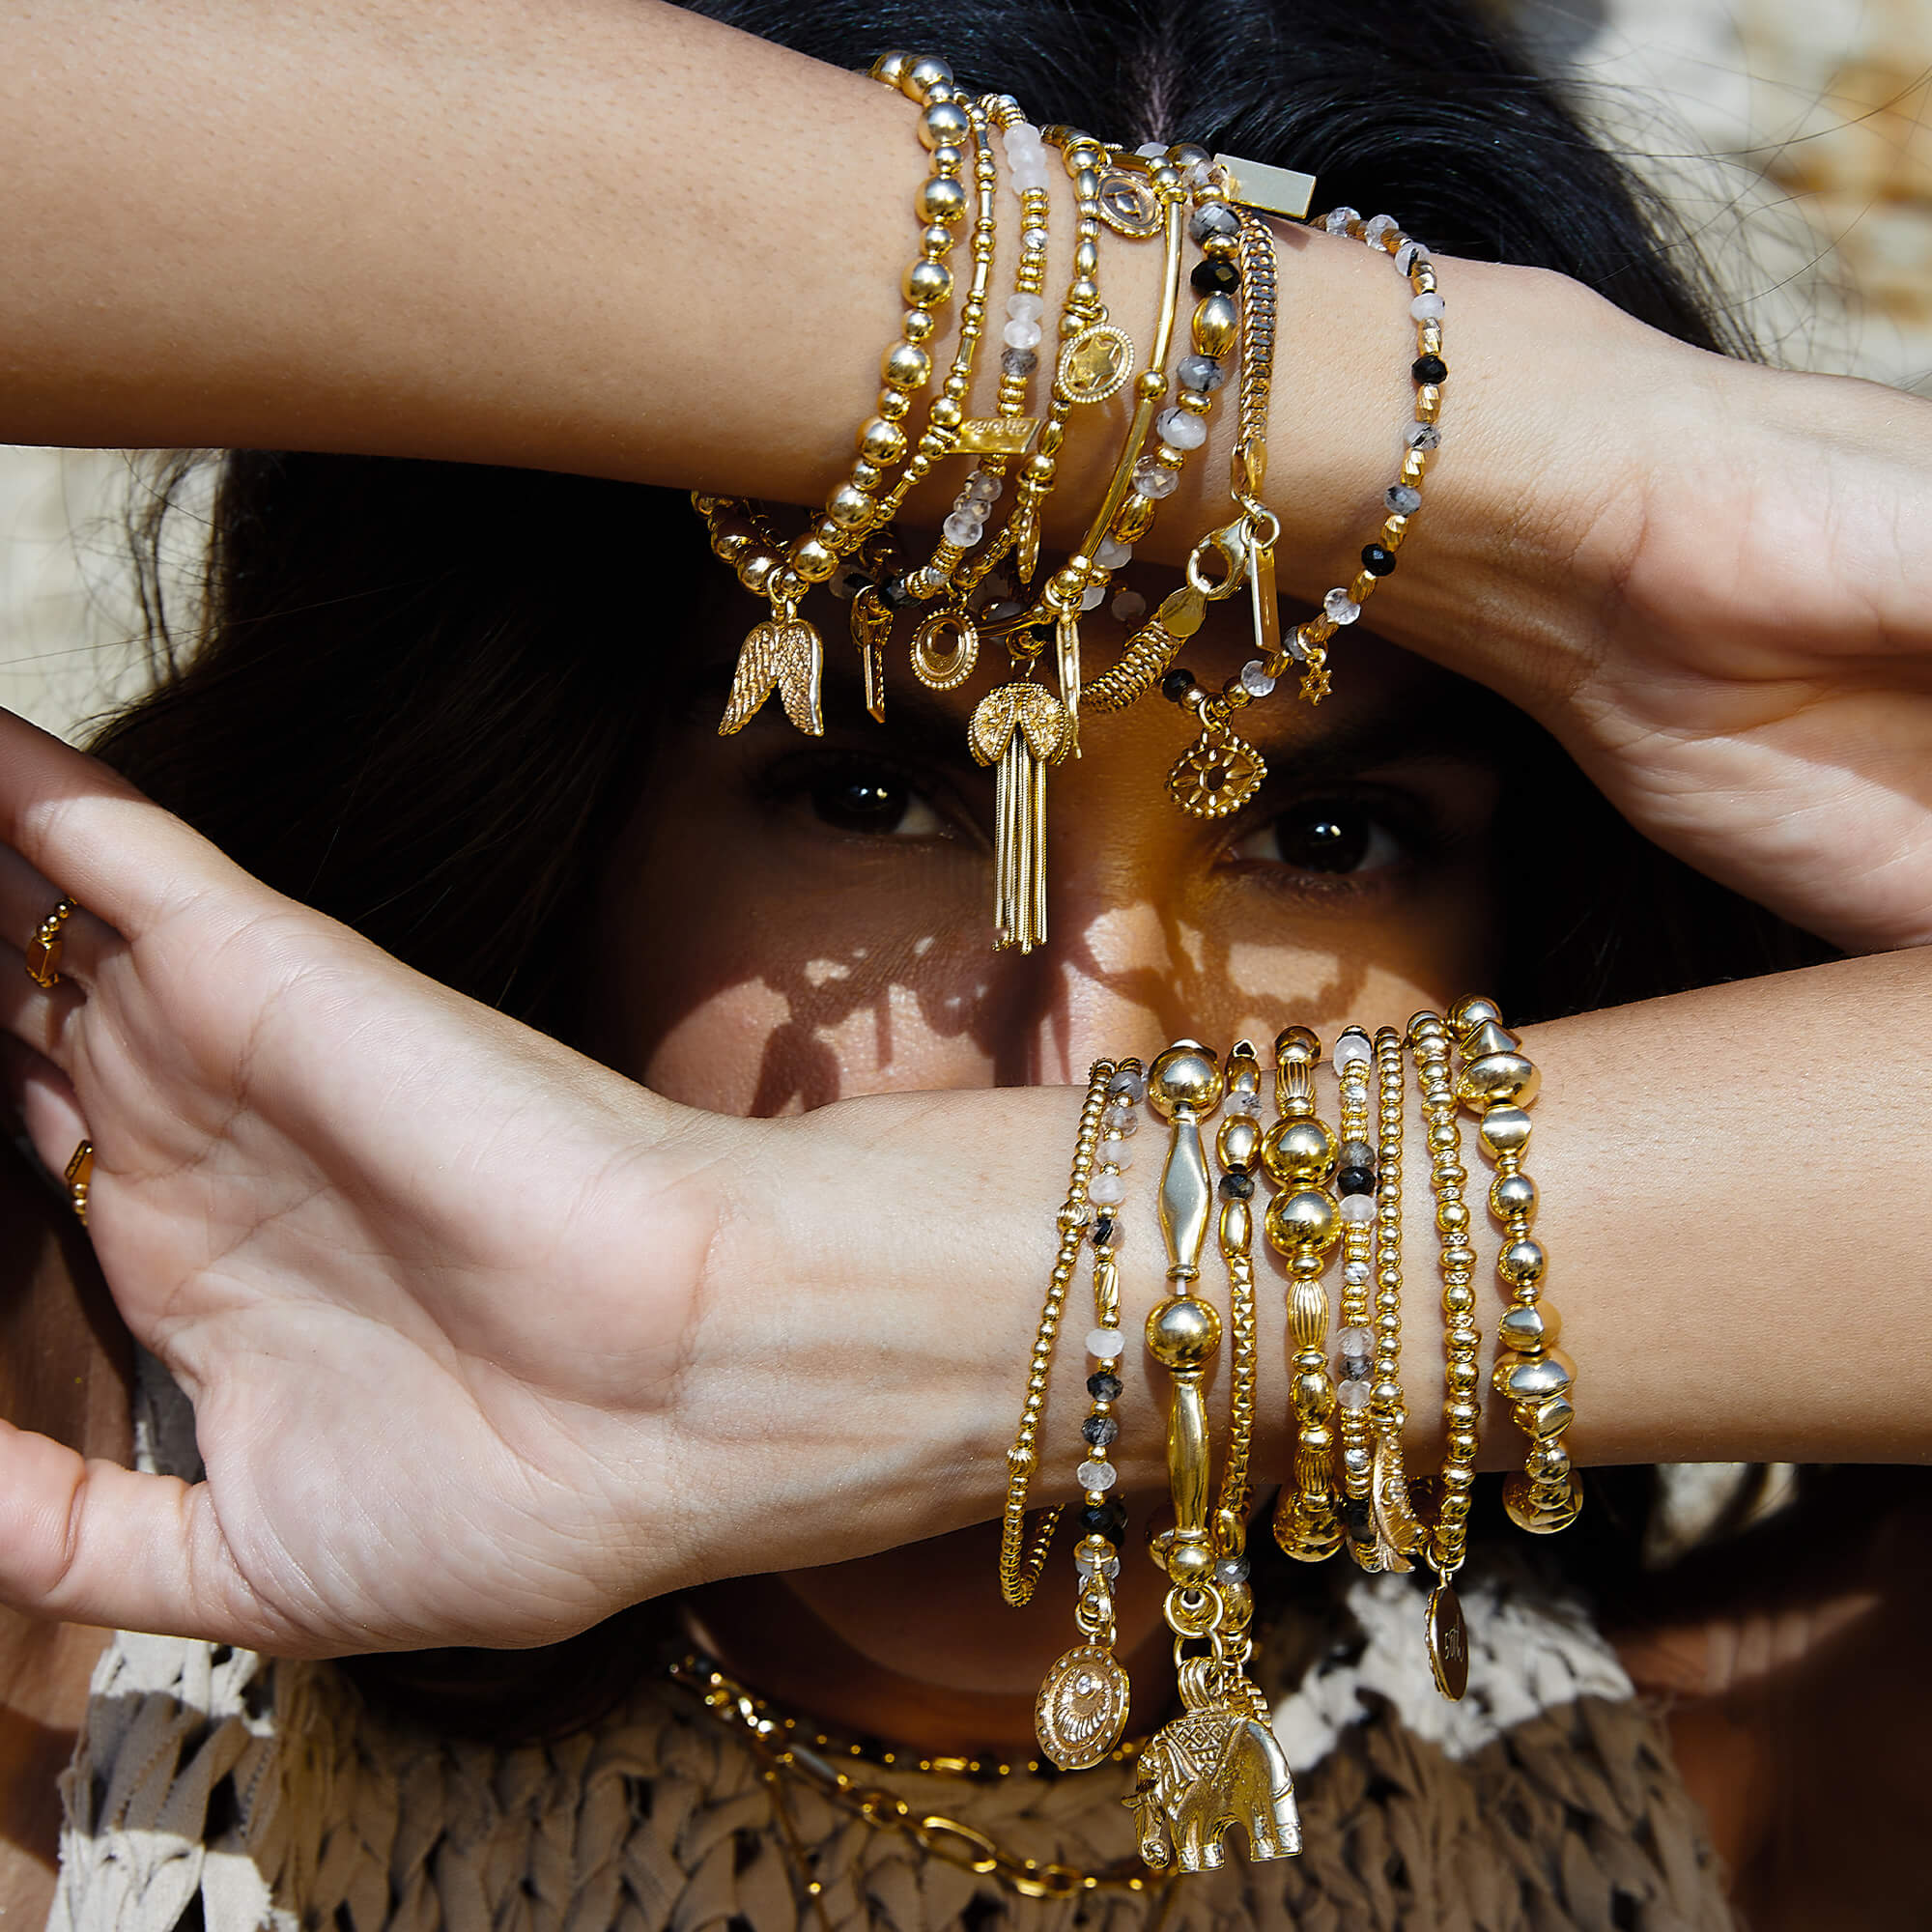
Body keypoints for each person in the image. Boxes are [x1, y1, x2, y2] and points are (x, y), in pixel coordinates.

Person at [2, 0, 1931, 1924]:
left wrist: (820, 1303)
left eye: (1321, 839)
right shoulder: (90, 1631)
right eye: (867, 794)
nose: (1085, 1067)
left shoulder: (1753, 1737)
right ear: (535, 812)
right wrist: (1457, 423)